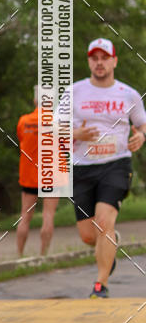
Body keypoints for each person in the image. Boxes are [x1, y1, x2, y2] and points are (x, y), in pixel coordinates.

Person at [66, 38, 146, 298]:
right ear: (89, 61)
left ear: (114, 61)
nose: (99, 63)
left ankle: (100, 285)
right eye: (94, 58)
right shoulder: (74, 91)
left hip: (116, 165)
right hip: (82, 167)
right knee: (89, 235)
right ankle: (110, 247)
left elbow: (142, 124)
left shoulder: (128, 94)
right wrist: (77, 132)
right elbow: (54, 126)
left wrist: (141, 136)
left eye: (104, 58)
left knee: (104, 222)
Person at [16, 86, 59, 256]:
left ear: (35, 100)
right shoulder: (57, 122)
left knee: (25, 217)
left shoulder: (24, 121)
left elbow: (21, 138)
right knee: (48, 217)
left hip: (28, 176)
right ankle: (43, 255)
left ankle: (19, 256)